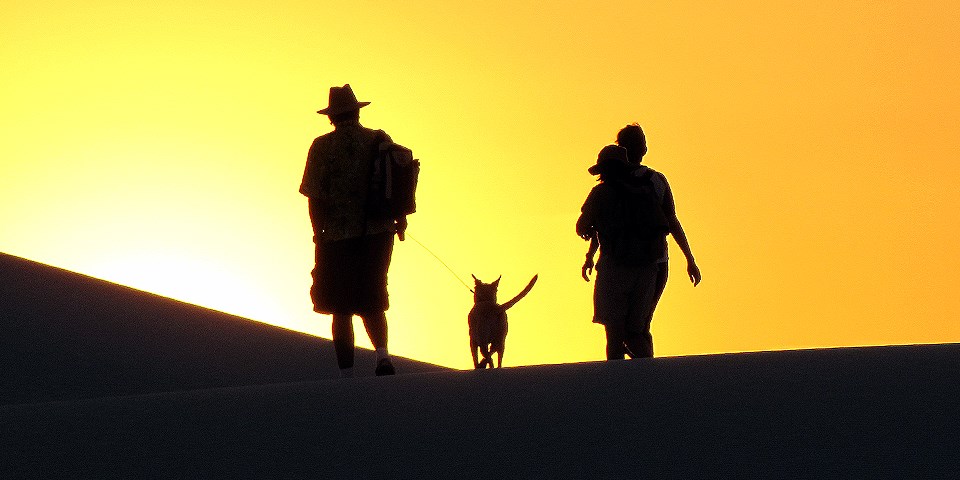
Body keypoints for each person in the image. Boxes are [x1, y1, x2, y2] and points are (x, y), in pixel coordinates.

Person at [299, 84, 407, 377]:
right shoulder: (379, 139)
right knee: (373, 294)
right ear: (358, 111)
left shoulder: (321, 146)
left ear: (331, 117)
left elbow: (314, 195)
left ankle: (346, 373)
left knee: (339, 303)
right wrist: (399, 219)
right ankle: (383, 356)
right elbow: (395, 182)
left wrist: (317, 233)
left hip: (336, 236)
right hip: (377, 233)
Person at [578, 129, 701, 360]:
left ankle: (619, 385)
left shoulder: (605, 188)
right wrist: (690, 259)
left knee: (615, 334)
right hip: (652, 263)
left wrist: (590, 255)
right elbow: (671, 221)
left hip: (615, 264)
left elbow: (593, 227)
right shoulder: (654, 181)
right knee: (639, 329)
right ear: (643, 149)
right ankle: (648, 379)